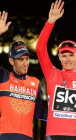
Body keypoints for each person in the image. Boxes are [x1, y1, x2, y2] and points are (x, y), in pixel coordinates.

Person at [36, 0, 76, 140]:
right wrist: (50, 22)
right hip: (53, 135)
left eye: (71, 55)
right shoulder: (52, 73)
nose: (67, 59)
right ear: (59, 57)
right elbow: (39, 48)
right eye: (64, 55)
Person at [0, 11, 47, 140]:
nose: (26, 63)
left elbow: (39, 112)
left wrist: (61, 114)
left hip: (27, 137)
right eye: (21, 60)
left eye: (26, 59)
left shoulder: (36, 82)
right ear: (11, 61)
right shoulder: (4, 77)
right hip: (4, 136)